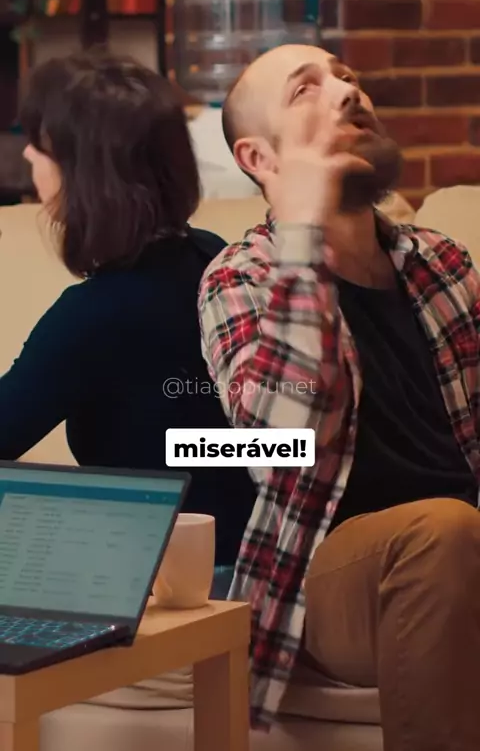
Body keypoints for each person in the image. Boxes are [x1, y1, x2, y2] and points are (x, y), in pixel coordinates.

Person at [198, 43, 480, 750]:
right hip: (327, 574)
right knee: (442, 532)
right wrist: (302, 238)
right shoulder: (241, 277)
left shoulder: (441, 263)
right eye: (307, 89)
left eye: (347, 77)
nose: (347, 91)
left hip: (465, 545)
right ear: (259, 159)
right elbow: (277, 443)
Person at [0, 51, 255, 567]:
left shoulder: (95, 315)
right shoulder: (212, 255)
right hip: (248, 557)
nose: (27, 155)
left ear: (85, 172)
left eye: (42, 144)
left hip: (173, 583)